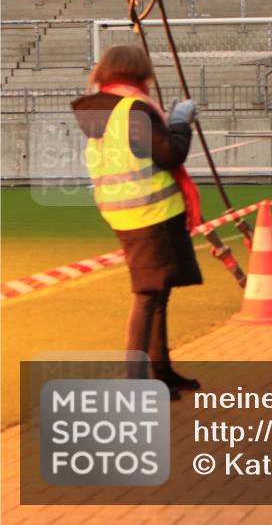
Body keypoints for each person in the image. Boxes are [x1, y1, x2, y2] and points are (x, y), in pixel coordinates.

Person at [71, 45, 202, 399]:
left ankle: (160, 371)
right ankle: (137, 381)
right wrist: (179, 121)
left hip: (125, 211)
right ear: (138, 71)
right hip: (151, 211)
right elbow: (170, 153)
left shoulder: (103, 110)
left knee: (157, 293)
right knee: (148, 295)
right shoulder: (132, 109)